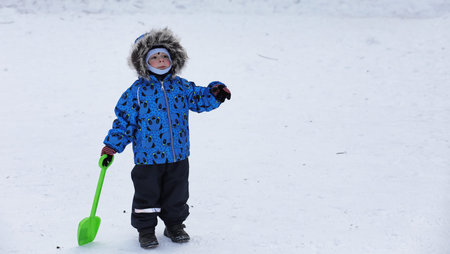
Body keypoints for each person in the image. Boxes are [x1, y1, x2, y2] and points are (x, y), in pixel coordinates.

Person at [100, 28, 231, 249]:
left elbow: (198, 98)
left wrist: (214, 93)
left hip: (178, 155)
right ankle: (146, 230)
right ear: (144, 62)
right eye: (155, 57)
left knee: (177, 194)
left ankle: (174, 225)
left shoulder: (181, 86)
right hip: (148, 158)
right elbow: (124, 121)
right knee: (147, 196)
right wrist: (112, 145)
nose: (161, 61)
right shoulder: (136, 92)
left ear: (173, 59)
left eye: (164, 57)